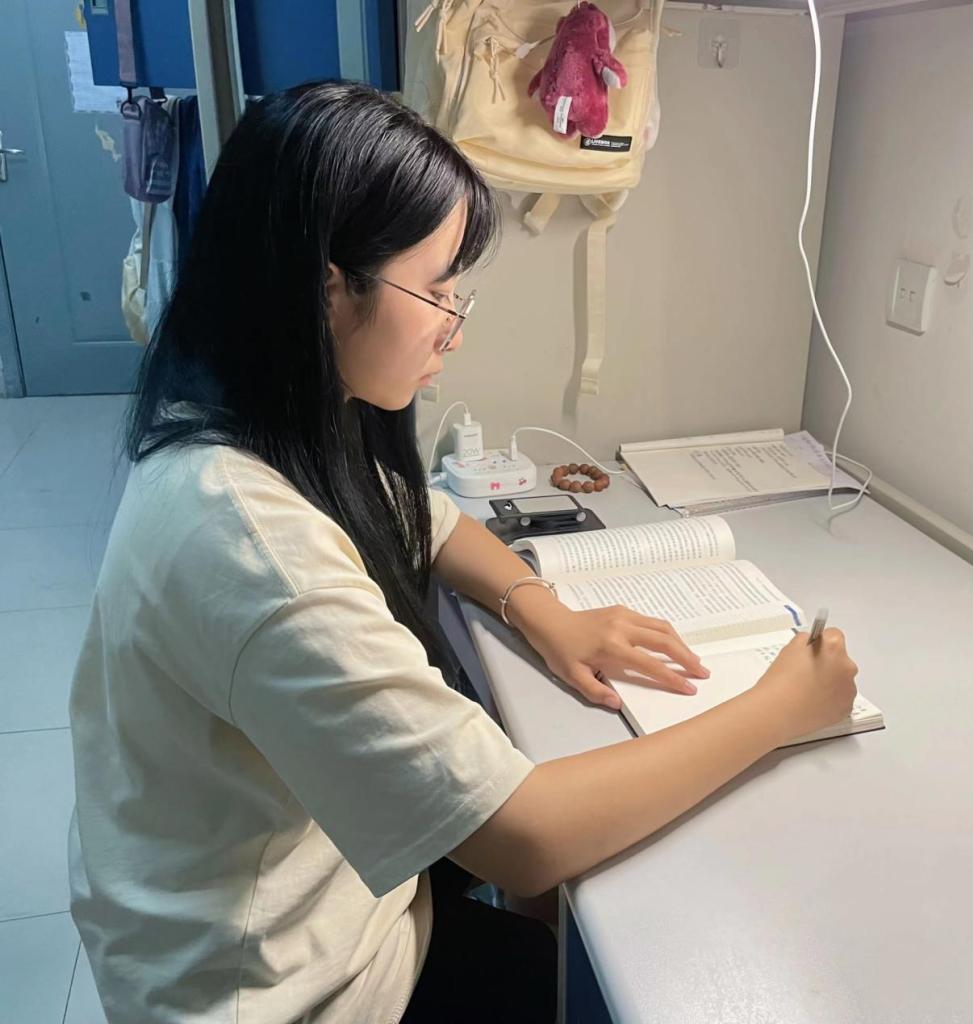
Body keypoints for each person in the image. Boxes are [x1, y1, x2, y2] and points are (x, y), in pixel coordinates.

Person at [67, 81, 858, 1024]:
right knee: (611, 960)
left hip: (327, 905)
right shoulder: (247, 538)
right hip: (282, 993)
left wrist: (542, 610)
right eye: (436, 288)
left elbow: (426, 519)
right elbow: (525, 840)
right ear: (328, 287)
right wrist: (780, 710)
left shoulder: (256, 420)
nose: (454, 319)